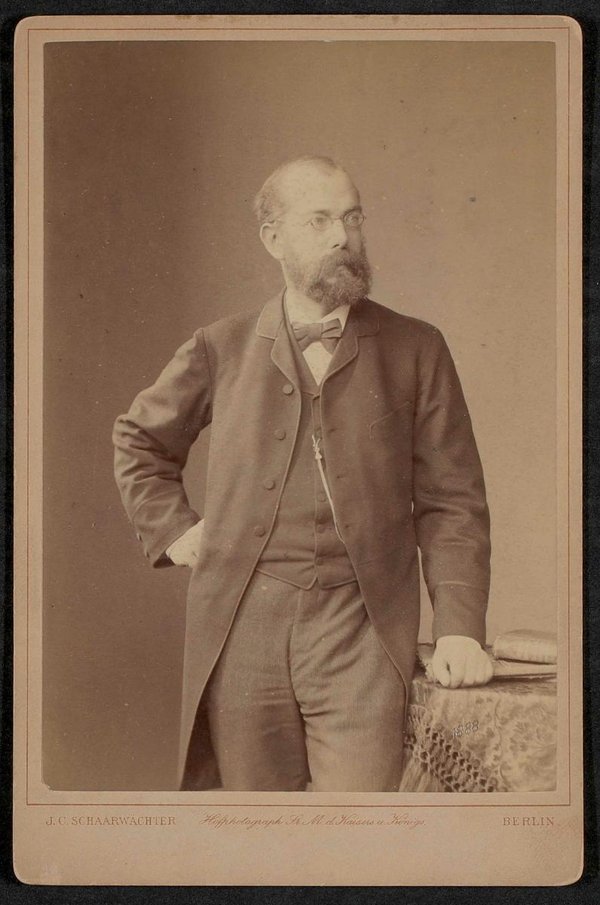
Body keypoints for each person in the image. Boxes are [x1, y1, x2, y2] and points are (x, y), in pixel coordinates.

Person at [113, 155, 493, 793]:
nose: (342, 236)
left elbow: (453, 501)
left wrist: (458, 626)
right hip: (242, 628)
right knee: (255, 830)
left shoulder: (417, 347)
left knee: (358, 831)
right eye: (319, 221)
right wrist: (175, 530)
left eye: (352, 218)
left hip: (361, 629)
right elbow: (139, 440)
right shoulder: (220, 346)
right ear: (273, 238)